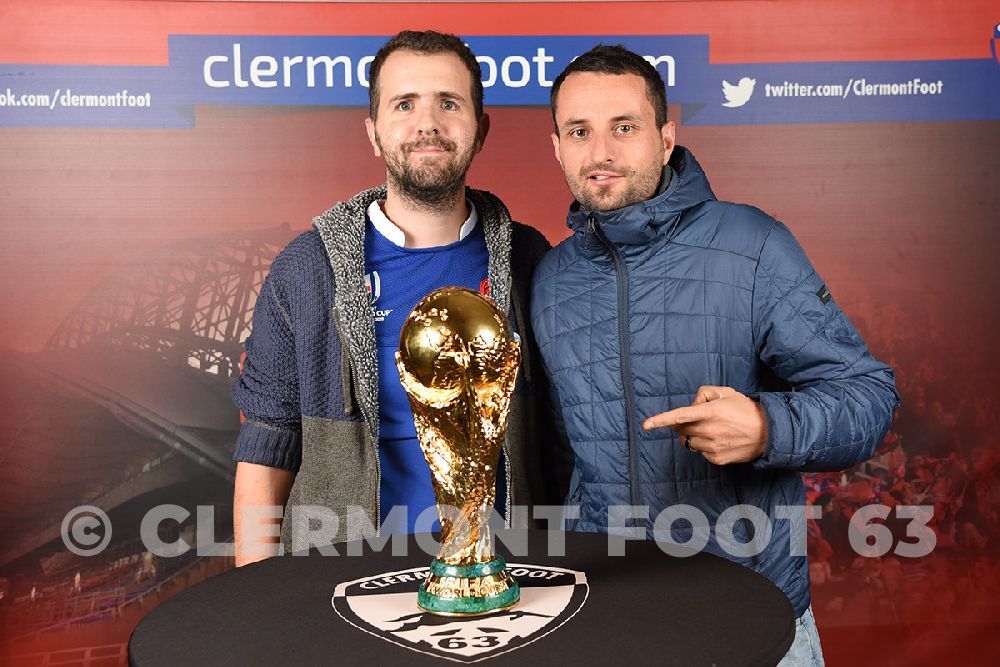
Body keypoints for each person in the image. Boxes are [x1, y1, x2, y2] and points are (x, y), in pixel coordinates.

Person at [531, 45, 899, 665]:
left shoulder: (752, 244)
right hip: (611, 621)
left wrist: (766, 427)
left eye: (624, 127)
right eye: (580, 131)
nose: (601, 153)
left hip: (749, 615)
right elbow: (573, 456)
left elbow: (868, 395)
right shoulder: (552, 278)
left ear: (666, 136)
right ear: (558, 146)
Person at [231, 30, 553, 566]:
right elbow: (268, 439)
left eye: (449, 103)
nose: (427, 122)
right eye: (404, 104)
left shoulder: (528, 259)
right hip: (344, 579)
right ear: (374, 132)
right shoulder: (309, 269)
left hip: (502, 577)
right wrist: (253, 598)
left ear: (481, 129)